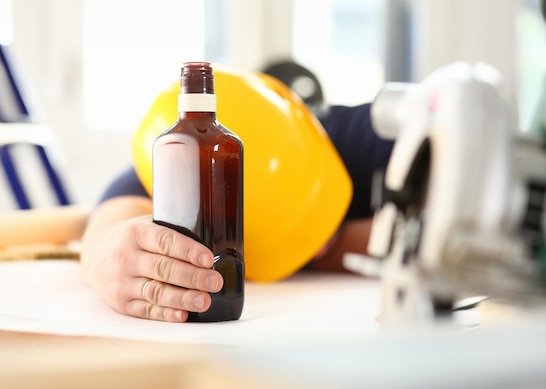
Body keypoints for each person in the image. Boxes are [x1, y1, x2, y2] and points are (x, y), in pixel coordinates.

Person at [80, 96, 395, 323]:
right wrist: (105, 256)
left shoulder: (359, 132)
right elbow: (122, 203)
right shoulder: (182, 153)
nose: (317, 243)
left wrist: (338, 243)